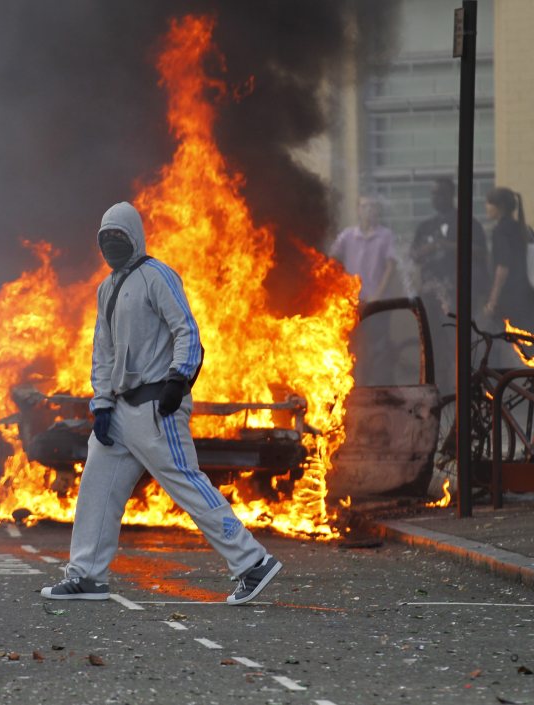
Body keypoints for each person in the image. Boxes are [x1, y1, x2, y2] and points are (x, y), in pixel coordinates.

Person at [41, 201, 282, 605]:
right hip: (117, 412)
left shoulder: (158, 276)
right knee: (96, 488)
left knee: (186, 484)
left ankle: (252, 562)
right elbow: (103, 349)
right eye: (105, 238)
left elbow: (187, 330)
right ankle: (85, 576)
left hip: (156, 406)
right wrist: (100, 403)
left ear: (135, 236)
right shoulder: (107, 288)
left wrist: (178, 379)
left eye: (118, 237)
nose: (111, 245)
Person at [411, 178, 490, 392]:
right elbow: (413, 255)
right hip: (431, 292)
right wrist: (425, 251)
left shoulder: (468, 223)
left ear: (451, 195)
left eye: (441, 194)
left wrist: (447, 245)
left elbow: (481, 252)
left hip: (459, 291)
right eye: (433, 194)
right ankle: (440, 384)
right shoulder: (426, 226)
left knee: (459, 337)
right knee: (434, 338)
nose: (436, 199)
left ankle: (466, 382)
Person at [329, 195, 397, 385]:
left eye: (373, 207)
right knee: (354, 347)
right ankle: (354, 387)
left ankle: (378, 388)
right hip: (352, 303)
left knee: (378, 347)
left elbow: (391, 267)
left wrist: (378, 295)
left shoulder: (386, 236)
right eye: (365, 206)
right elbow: (332, 260)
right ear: (358, 210)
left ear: (378, 211)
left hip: (377, 303)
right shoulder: (347, 236)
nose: (369, 210)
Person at [482, 187, 534, 340]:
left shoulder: (501, 230)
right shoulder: (522, 228)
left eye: (489, 203)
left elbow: (503, 267)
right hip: (526, 297)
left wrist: (492, 302)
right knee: (528, 343)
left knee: (503, 345)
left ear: (500, 206)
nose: (486, 207)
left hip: (507, 300)